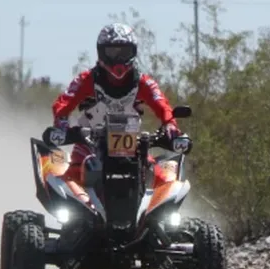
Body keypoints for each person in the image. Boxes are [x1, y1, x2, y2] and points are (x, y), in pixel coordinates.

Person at [42, 23, 186, 193]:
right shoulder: (87, 78)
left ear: (133, 52)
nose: (118, 59)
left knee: (161, 178)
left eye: (123, 52)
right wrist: (62, 125)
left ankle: (155, 216)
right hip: (89, 140)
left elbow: (162, 104)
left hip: (132, 144)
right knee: (69, 180)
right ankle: (76, 215)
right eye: (112, 52)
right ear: (101, 52)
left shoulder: (143, 82)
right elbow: (63, 103)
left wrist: (170, 125)